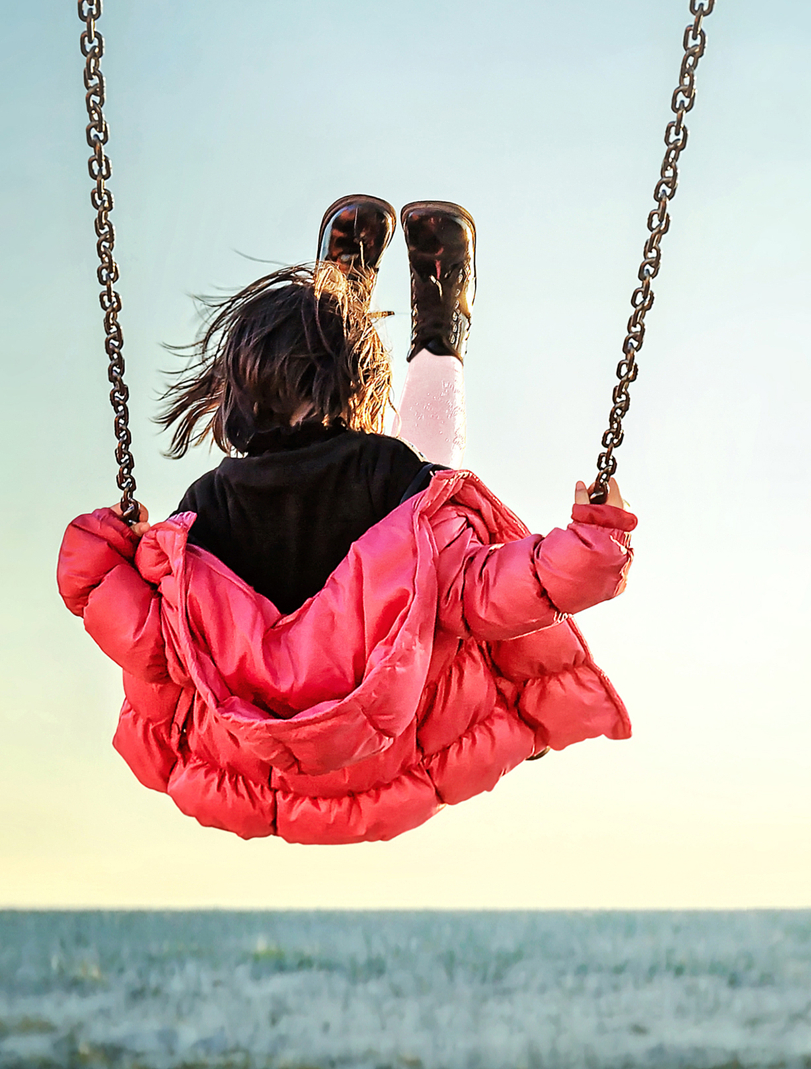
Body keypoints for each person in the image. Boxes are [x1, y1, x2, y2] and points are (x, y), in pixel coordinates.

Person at [54, 196, 636, 845]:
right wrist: (591, 540)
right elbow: (487, 589)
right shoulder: (381, 472)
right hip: (401, 754)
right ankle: (430, 339)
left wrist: (109, 552)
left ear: (234, 394)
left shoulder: (209, 504)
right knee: (430, 502)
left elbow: (147, 633)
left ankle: (346, 313)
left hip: (263, 775)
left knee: (417, 506)